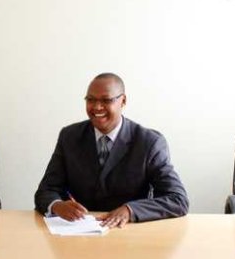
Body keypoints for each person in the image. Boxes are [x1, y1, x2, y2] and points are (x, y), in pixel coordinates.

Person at [34, 72, 189, 228]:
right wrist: (56, 205)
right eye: (91, 100)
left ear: (123, 101)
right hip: (80, 231)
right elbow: (46, 190)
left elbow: (177, 199)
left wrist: (130, 210)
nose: (97, 107)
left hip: (130, 232)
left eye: (106, 100)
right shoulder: (69, 137)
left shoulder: (149, 142)